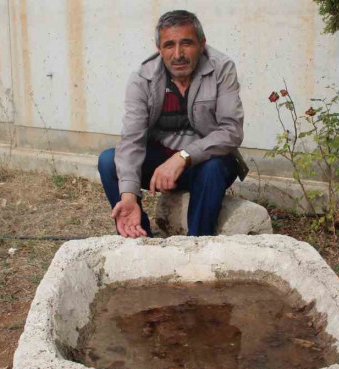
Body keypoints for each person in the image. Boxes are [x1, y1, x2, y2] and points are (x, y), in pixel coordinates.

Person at [97, 10, 248, 238]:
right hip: (160, 165)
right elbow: (132, 140)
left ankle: (197, 245)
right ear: (159, 49)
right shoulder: (142, 78)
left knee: (214, 167)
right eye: (169, 45)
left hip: (205, 164)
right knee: (109, 160)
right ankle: (140, 239)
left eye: (186, 43)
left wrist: (183, 157)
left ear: (201, 44)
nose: (178, 54)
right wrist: (128, 196)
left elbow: (231, 131)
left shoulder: (222, 68)